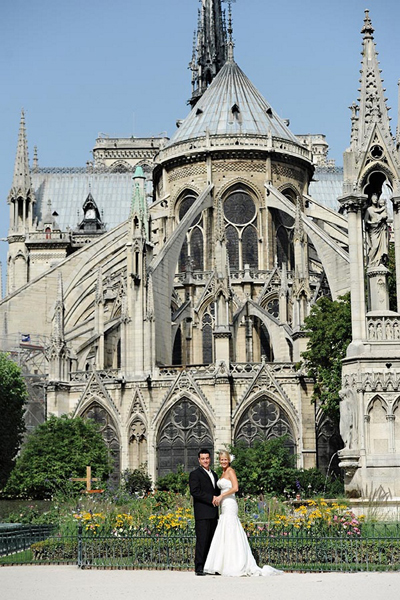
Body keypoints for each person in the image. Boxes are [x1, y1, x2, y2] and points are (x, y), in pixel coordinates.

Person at [204, 451, 282, 577]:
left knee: (231, 529)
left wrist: (222, 495)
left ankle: (234, 563)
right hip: (223, 504)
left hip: (229, 503)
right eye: (221, 460)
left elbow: (235, 488)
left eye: (225, 459)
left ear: (229, 460)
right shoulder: (223, 472)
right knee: (225, 530)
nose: (223, 461)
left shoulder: (230, 471)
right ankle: (222, 563)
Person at [189, 448, 220, 576]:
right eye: (203, 459)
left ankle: (209, 565)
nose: (205, 461)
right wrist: (210, 498)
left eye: (207, 458)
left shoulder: (214, 474)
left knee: (212, 540)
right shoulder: (195, 474)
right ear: (199, 460)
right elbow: (194, 491)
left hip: (213, 512)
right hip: (202, 512)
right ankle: (199, 567)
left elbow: (216, 491)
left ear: (210, 459)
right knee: (202, 540)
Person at [364, 193, 389, 267]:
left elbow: (386, 216)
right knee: (374, 246)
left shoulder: (381, 209)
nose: (375, 200)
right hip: (373, 229)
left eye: (376, 199)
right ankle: (371, 261)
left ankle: (380, 261)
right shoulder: (369, 209)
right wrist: (372, 222)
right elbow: (366, 220)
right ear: (371, 200)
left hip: (381, 229)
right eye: (373, 198)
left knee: (382, 247)